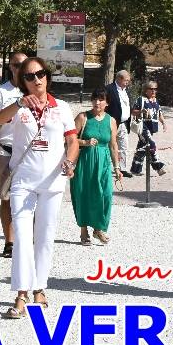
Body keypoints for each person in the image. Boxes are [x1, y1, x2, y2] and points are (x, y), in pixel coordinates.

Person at [0, 56, 80, 319]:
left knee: (45, 237)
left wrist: (70, 161)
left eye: (40, 74)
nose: (36, 79)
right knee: (21, 237)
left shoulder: (61, 107)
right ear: (23, 81)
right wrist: (19, 103)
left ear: (47, 76)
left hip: (52, 182)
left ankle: (40, 287)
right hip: (23, 182)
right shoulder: (18, 106)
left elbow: (72, 141)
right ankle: (21, 293)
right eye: (29, 76)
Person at [0, 50, 28, 258]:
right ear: (10, 67)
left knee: (30, 196)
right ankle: (9, 241)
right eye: (17, 65)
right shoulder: (3, 92)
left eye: (24, 64)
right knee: (6, 198)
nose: (20, 68)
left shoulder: (33, 90)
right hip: (6, 151)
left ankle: (27, 239)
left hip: (29, 153)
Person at [71, 88, 120, 246]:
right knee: (84, 194)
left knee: (105, 195)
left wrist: (117, 168)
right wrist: (84, 142)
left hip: (104, 162)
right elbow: (69, 139)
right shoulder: (83, 117)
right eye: (94, 99)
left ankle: (99, 228)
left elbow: (113, 145)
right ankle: (84, 230)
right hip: (85, 161)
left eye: (101, 99)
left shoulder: (111, 120)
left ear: (107, 102)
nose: (97, 102)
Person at [130, 81, 167, 176]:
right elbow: (133, 112)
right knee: (152, 144)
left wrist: (163, 123)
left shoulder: (156, 101)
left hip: (152, 128)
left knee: (142, 147)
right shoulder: (141, 100)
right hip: (143, 127)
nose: (154, 91)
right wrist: (141, 111)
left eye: (155, 89)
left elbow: (159, 114)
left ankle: (135, 169)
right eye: (151, 89)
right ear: (146, 91)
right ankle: (158, 167)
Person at [105, 70, 134, 177]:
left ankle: (123, 168)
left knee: (124, 146)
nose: (128, 82)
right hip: (111, 123)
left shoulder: (127, 90)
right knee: (110, 145)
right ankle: (106, 167)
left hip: (124, 123)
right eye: (126, 80)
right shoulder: (108, 89)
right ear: (119, 78)